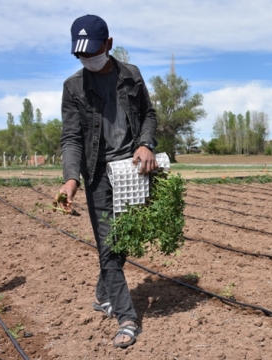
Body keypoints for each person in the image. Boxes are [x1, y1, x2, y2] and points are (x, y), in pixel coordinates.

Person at [57, 14, 158, 348]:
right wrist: (71, 178)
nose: (87, 59)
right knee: (109, 245)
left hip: (132, 169)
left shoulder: (131, 75)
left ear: (109, 44)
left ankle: (103, 294)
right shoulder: (74, 87)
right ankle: (127, 317)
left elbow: (148, 115)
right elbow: (71, 138)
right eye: (81, 55)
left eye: (93, 51)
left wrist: (146, 143)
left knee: (124, 239)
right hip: (98, 175)